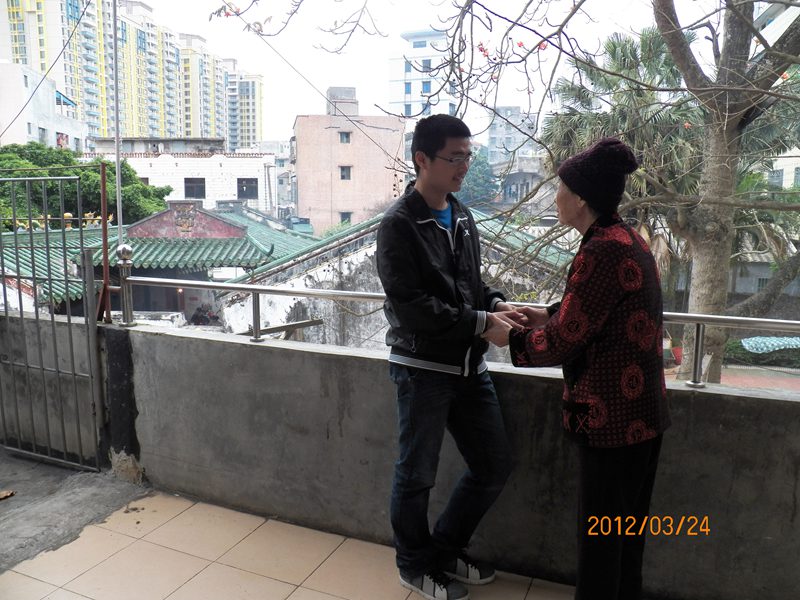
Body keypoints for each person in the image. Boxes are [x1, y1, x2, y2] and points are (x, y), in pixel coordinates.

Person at [483, 138, 671, 600]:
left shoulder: (601, 251)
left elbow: (564, 342)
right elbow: (594, 312)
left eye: (561, 188)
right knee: (625, 537)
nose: (555, 198)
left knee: (602, 543)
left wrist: (507, 337)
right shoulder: (625, 239)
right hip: (641, 417)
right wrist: (545, 314)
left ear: (582, 198)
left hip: (612, 423)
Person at [376, 114, 518, 600]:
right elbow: (412, 307)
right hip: (423, 370)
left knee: (493, 465)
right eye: (454, 157)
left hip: (468, 367)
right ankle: (413, 564)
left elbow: (470, 284)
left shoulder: (460, 215)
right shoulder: (399, 225)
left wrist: (496, 303)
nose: (464, 166)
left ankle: (444, 550)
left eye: (467, 157)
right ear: (422, 159)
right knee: (416, 475)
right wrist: (481, 323)